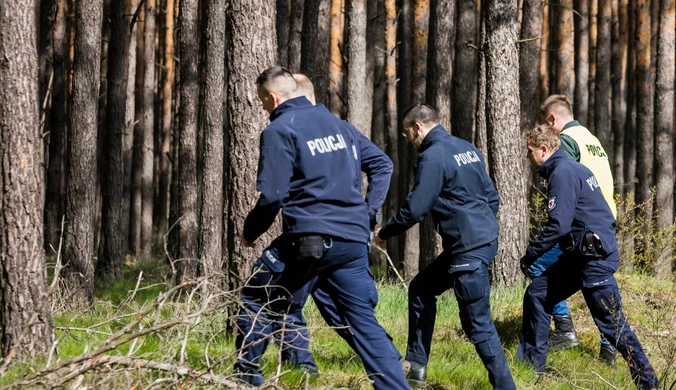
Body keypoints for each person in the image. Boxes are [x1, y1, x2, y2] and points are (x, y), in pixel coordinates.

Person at [234, 66, 409, 389]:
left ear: (273, 97)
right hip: (354, 242)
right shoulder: (339, 126)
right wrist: (367, 214)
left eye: (262, 101)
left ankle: (245, 379)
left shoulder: (280, 130)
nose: (262, 107)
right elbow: (380, 164)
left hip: (310, 240)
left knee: (255, 298)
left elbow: (272, 195)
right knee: (363, 323)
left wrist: (251, 231)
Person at [375, 104, 516, 389]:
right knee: (421, 288)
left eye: (408, 135)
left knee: (477, 323)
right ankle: (416, 366)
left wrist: (386, 232)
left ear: (418, 128)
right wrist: (479, 225)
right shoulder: (466, 148)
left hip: (469, 248)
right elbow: (491, 196)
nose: (409, 141)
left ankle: (505, 386)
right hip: (478, 241)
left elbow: (416, 208)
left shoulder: (433, 156)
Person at [517, 125, 659, 390]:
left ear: (544, 150)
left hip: (594, 261)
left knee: (614, 328)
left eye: (530, 151)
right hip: (580, 256)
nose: (528, 157)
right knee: (537, 293)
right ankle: (530, 369)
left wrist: (532, 253)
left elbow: (558, 225)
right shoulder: (574, 169)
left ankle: (649, 384)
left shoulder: (562, 172)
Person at [528, 94, 618, 365]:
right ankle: (610, 346)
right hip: (604, 220)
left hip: (582, 226)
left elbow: (562, 179)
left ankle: (565, 330)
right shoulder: (591, 138)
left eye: (547, 124)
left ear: (552, 119)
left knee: (537, 267)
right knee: (597, 284)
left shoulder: (566, 141)